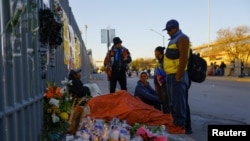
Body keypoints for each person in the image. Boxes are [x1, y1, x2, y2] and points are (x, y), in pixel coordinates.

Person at [162, 19, 190, 134]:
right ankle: (175, 123)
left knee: (179, 102)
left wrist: (178, 76)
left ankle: (180, 126)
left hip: (177, 75)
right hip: (170, 76)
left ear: (176, 28)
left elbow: (183, 58)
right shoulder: (173, 40)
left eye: (169, 30)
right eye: (167, 30)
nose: (168, 32)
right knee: (172, 102)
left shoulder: (182, 38)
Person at [154, 46, 170, 114]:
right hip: (159, 86)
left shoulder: (166, 61)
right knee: (162, 102)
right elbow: (156, 74)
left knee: (166, 104)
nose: (155, 55)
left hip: (165, 86)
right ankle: (164, 116)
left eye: (156, 53)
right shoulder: (158, 62)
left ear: (160, 53)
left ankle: (167, 117)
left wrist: (164, 81)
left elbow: (168, 73)